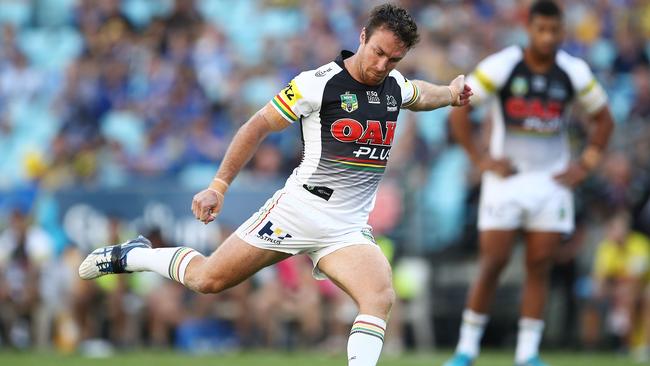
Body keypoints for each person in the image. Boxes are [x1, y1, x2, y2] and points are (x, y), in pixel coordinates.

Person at [78, 3, 472, 365]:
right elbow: (257, 126)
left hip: (345, 228)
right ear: (362, 38)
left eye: (394, 59)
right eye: (378, 52)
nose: (382, 65)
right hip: (298, 210)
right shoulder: (316, 84)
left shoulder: (394, 86)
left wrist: (452, 93)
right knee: (208, 279)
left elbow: (422, 94)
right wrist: (219, 185)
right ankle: (133, 256)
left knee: (379, 296)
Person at [443, 1, 614, 366]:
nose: (548, 37)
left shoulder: (573, 71)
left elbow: (604, 119)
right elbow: (461, 107)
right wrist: (480, 160)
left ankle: (527, 354)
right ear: (529, 28)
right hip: (507, 179)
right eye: (541, 30)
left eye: (554, 31)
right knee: (493, 261)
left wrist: (585, 165)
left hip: (551, 184)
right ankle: (466, 350)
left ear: (562, 32)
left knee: (540, 265)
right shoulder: (502, 66)